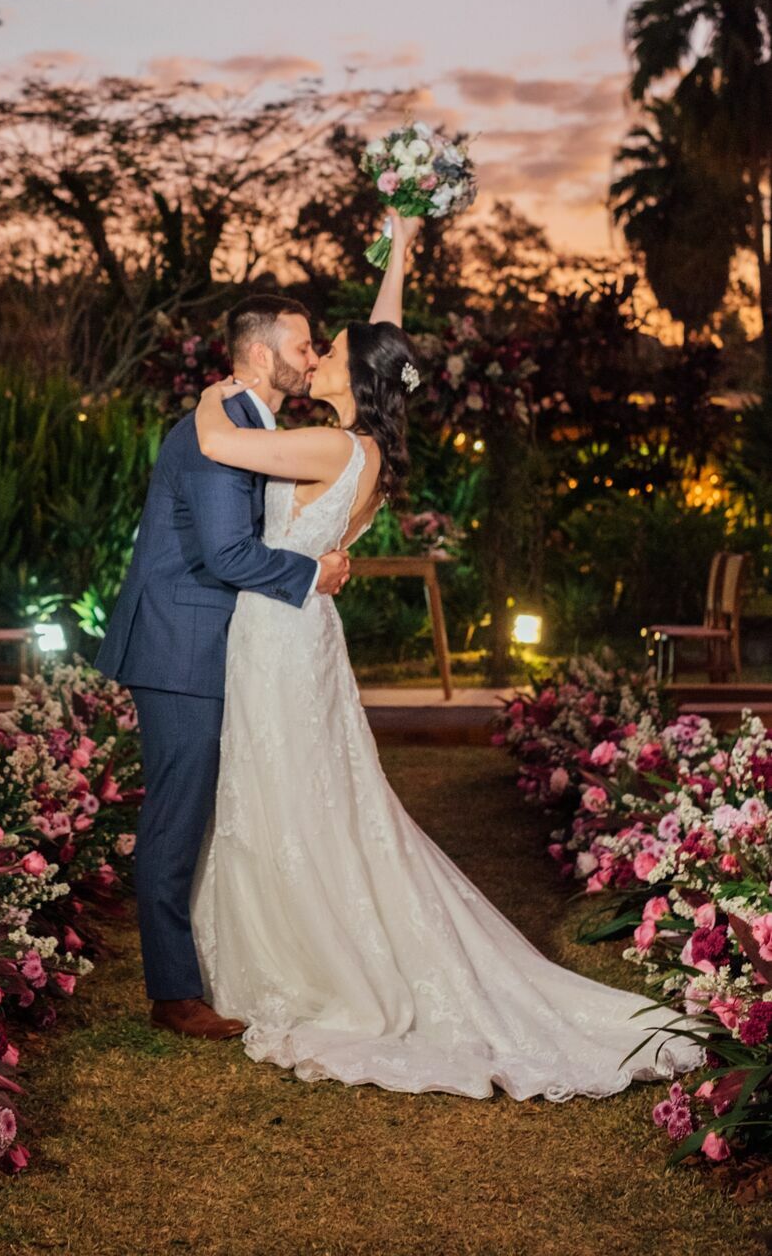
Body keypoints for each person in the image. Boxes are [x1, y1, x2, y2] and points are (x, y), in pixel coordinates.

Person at [185, 208, 705, 1099]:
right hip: (302, 630)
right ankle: (324, 932)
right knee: (320, 788)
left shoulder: (322, 443)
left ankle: (316, 959)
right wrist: (401, 245)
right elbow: (385, 341)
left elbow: (217, 441)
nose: (314, 357)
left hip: (279, 636)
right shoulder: (369, 448)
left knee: (290, 787)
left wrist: (214, 386)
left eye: (327, 350)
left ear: (348, 372)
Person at [96, 293, 351, 1040]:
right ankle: (172, 994)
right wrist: (313, 577)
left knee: (205, 812)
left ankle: (206, 963)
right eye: (304, 345)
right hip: (180, 646)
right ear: (263, 352)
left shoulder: (248, 427)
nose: (311, 358)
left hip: (211, 641)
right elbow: (225, 553)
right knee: (175, 820)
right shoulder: (220, 430)